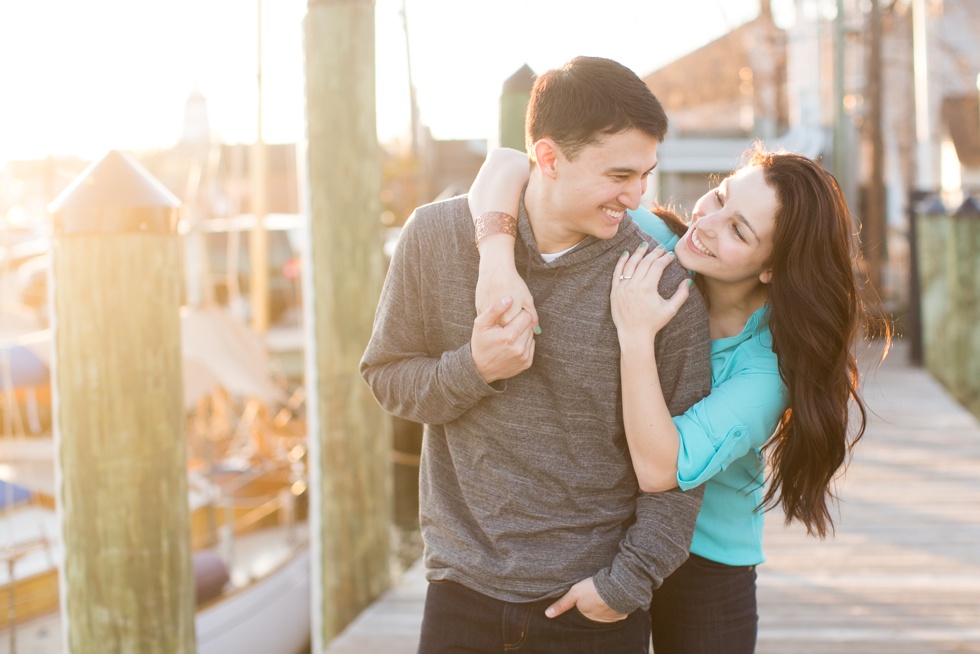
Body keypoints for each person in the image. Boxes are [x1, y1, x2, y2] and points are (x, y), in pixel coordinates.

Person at [468, 144, 888, 653]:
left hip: (705, 561)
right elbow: (511, 164)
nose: (707, 223)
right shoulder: (661, 242)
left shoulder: (766, 371)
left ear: (773, 268)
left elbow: (660, 467)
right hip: (606, 534)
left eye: (738, 230)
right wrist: (496, 260)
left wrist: (637, 334)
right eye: (720, 197)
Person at [360, 56, 712, 654]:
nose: (636, 197)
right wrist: (472, 368)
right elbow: (387, 378)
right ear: (547, 158)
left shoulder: (660, 283)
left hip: (591, 607)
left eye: (645, 175)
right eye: (619, 175)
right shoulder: (434, 238)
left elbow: (680, 470)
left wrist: (625, 585)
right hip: (460, 592)